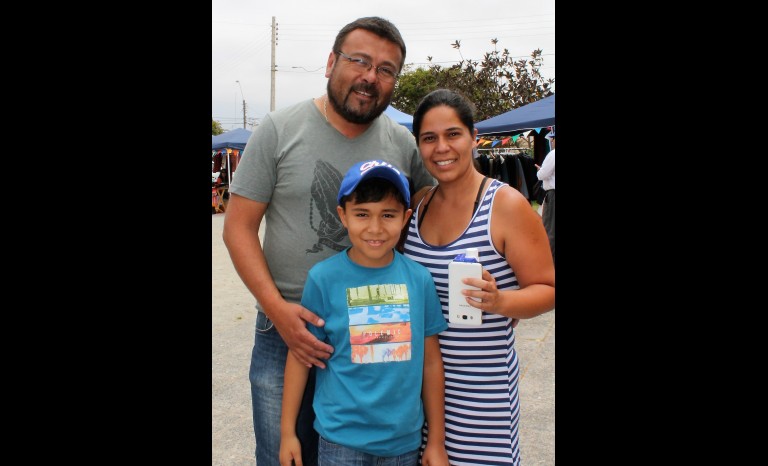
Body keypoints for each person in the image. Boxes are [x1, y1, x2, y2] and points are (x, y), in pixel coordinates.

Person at [222, 17, 435, 466]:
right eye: (359, 60)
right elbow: (237, 228)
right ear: (331, 62)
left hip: (375, 323)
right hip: (287, 328)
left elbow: (440, 211)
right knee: (283, 454)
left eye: (386, 69)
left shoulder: (401, 143)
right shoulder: (278, 130)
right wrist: (279, 312)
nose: (370, 76)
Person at [402, 89, 555, 466]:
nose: (442, 147)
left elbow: (548, 289)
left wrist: (501, 301)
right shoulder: (418, 204)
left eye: (453, 134)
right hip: (416, 396)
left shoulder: (505, 205)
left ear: (473, 137)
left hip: (482, 398)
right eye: (429, 138)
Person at [279, 160, 449, 466]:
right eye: (362, 214)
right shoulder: (323, 278)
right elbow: (300, 356)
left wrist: (436, 440)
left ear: (406, 218)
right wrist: (287, 432)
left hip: (403, 443)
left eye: (388, 215)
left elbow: (432, 363)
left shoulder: (419, 279)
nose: (375, 228)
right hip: (340, 440)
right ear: (342, 215)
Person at [536, 130, 555, 265]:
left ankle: (549, 264)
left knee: (550, 230)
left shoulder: (553, 154)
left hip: (553, 194)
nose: (552, 141)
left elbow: (542, 175)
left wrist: (539, 170)